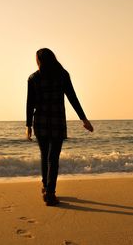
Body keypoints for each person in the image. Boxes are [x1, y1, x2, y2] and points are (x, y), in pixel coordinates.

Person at [26, 48, 93, 206]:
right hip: (57, 121)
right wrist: (84, 119)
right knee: (52, 158)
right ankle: (50, 193)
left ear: (39, 61)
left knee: (45, 156)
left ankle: (46, 187)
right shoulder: (62, 75)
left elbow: (30, 104)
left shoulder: (33, 78)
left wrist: (28, 125)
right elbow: (72, 98)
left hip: (40, 122)